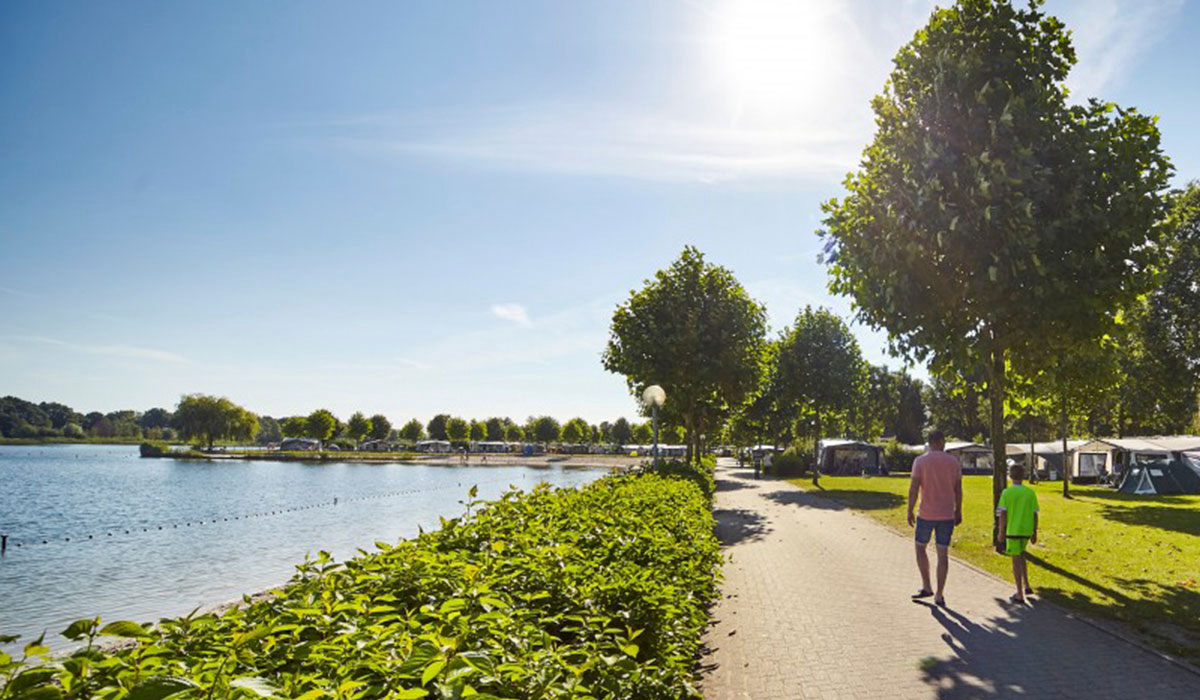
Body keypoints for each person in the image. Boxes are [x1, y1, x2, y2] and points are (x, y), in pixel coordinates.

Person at [907, 429, 963, 607]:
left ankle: (927, 585)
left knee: (920, 548)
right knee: (942, 553)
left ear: (930, 442)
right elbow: (958, 489)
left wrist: (910, 509)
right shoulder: (953, 462)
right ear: (940, 441)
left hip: (926, 513)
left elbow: (914, 488)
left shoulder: (920, 461)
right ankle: (939, 594)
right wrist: (958, 510)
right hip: (947, 514)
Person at [996, 460, 1039, 604]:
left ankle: (1019, 593)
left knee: (1015, 560)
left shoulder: (1007, 493)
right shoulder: (1030, 493)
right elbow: (1035, 514)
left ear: (1010, 476)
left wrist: (1001, 532)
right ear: (1024, 475)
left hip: (1013, 530)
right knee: (1022, 556)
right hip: (1026, 530)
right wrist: (1034, 532)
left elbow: (1003, 514)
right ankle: (1026, 585)